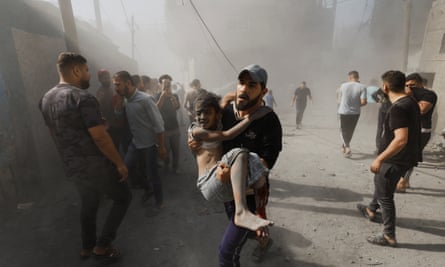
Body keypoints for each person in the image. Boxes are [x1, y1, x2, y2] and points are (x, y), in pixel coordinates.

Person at [39, 52, 131, 259]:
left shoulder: (45, 99)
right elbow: (100, 137)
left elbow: (55, 134)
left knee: (89, 201)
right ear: (76, 70)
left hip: (72, 166)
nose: (89, 75)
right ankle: (103, 245)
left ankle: (87, 247)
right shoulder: (82, 97)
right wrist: (119, 163)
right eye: (87, 70)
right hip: (95, 165)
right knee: (124, 196)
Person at [191, 64, 282, 265]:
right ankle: (264, 241)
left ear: (263, 91)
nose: (244, 89)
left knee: (226, 252)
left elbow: (265, 164)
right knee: (247, 230)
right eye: (241, 83)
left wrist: (232, 175)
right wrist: (195, 144)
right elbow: (208, 138)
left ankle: (256, 232)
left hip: (249, 195)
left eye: (252, 85)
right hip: (228, 194)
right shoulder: (226, 113)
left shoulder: (269, 121)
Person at [189, 92, 274, 231]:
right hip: (208, 183)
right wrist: (252, 117)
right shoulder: (196, 131)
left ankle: (259, 211)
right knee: (238, 153)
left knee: (252, 159)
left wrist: (254, 100)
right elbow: (228, 135)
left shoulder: (219, 117)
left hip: (225, 181)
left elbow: (228, 97)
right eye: (199, 114)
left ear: (218, 114)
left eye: (207, 113)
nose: (202, 117)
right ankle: (241, 212)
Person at [357, 70, 421, 247]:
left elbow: (401, 139)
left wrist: (379, 159)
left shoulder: (398, 108)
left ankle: (388, 235)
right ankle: (371, 209)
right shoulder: (410, 102)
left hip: (395, 158)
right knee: (381, 183)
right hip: (405, 157)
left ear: (385, 86)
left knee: (385, 195)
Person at [113, 71, 167, 210]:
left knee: (152, 173)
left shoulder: (145, 99)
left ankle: (159, 202)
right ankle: (148, 189)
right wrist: (119, 99)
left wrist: (161, 147)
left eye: (118, 85)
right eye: (115, 85)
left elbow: (159, 124)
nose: (116, 88)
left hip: (149, 144)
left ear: (128, 83)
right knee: (127, 168)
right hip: (135, 143)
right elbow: (118, 114)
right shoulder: (125, 100)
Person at [396, 73, 437, 192]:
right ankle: (405, 180)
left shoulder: (429, 94)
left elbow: (421, 110)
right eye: (407, 85)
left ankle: (403, 181)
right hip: (408, 129)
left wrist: (410, 97)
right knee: (405, 155)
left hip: (422, 130)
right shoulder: (406, 94)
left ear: (420, 83)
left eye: (412, 85)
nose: (410, 87)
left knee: (410, 156)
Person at [337, 71, 367, 157]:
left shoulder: (343, 85)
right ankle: (345, 145)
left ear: (350, 77)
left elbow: (340, 99)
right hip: (356, 112)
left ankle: (347, 147)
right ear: (358, 77)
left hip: (344, 111)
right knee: (350, 130)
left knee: (343, 129)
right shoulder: (363, 87)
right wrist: (356, 105)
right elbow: (364, 102)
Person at [156, 74, 181, 174]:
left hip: (174, 127)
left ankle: (175, 167)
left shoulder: (174, 95)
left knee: (176, 150)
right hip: (163, 129)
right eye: (164, 83)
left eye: (168, 83)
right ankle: (166, 164)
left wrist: (172, 98)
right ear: (160, 84)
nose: (167, 85)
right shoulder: (157, 96)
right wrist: (162, 96)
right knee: (166, 150)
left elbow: (177, 107)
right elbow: (156, 109)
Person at [95, 69, 124, 148]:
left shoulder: (110, 89)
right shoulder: (101, 92)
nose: (107, 80)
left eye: (108, 77)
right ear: (100, 80)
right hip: (110, 126)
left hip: (116, 123)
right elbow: (98, 108)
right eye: (104, 78)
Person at [371, 87, 391, 153]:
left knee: (380, 128)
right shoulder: (395, 88)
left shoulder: (384, 88)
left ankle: (379, 147)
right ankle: (383, 146)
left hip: (383, 110)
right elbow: (373, 95)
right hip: (390, 110)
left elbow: (373, 95)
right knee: (387, 128)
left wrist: (378, 100)